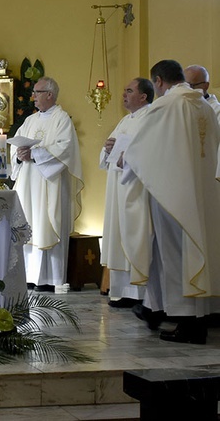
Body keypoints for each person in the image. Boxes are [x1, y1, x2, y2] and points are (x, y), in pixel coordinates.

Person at [121, 60, 220, 344]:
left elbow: (141, 150)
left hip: (172, 195)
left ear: (159, 82)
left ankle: (187, 323)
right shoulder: (204, 106)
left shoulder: (166, 107)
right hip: (202, 194)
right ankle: (197, 319)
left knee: (175, 257)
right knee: (193, 254)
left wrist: (124, 159)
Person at [10, 76, 83, 292]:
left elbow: (65, 149)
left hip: (49, 182)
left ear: (49, 95)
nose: (33, 97)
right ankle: (29, 276)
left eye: (37, 92)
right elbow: (17, 143)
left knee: (46, 223)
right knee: (28, 223)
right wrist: (19, 155)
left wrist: (35, 154)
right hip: (28, 182)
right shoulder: (30, 121)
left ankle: (50, 278)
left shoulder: (62, 120)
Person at [99, 78, 153, 308]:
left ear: (143, 96)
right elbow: (109, 150)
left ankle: (141, 294)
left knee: (136, 235)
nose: (124, 94)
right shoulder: (125, 120)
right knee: (119, 235)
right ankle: (123, 291)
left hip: (136, 189)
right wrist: (107, 148)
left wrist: (125, 156)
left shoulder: (150, 118)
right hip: (118, 187)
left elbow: (148, 152)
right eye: (124, 90)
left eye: (129, 91)